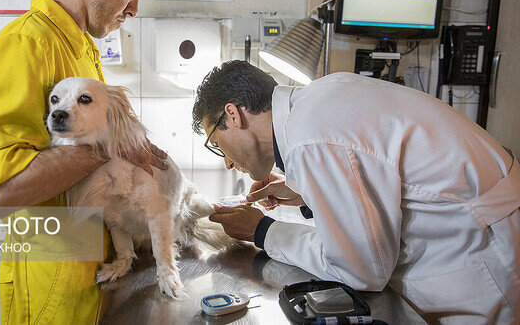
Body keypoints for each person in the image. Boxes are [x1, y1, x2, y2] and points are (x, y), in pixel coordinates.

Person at [193, 60, 519, 323]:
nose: (228, 163)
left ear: (233, 115)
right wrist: (306, 191)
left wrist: (262, 230)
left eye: (217, 145)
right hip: (483, 225)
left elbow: (362, 270)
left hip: (485, 252)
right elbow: (377, 166)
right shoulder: (318, 100)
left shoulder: (309, 140)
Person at [0, 0, 165, 324]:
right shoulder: (27, 44)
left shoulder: (82, 49)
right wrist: (110, 148)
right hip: (51, 287)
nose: (134, 8)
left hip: (90, 276)